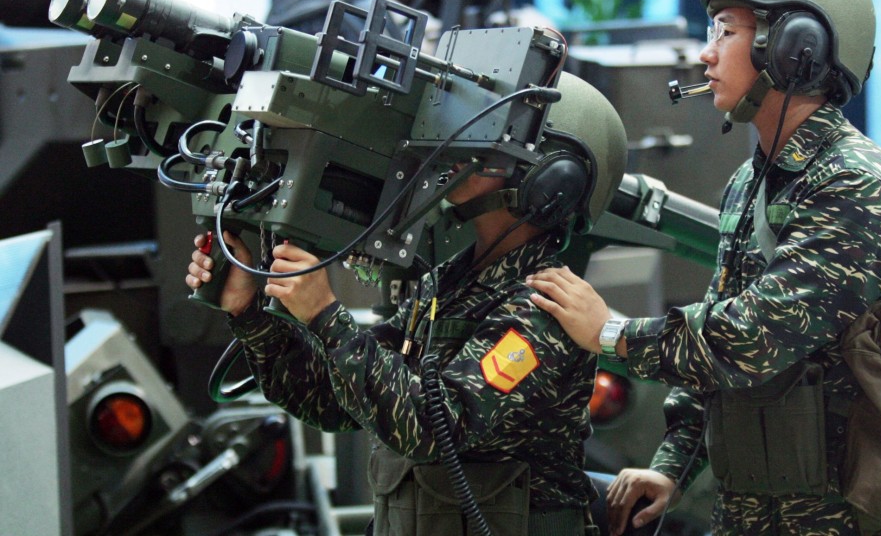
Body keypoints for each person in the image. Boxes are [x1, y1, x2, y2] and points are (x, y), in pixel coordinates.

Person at [526, 0, 881, 536]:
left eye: (726, 30)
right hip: (753, 511)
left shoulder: (851, 181)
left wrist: (610, 333)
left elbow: (752, 337)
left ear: (795, 49)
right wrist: (673, 469)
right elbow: (721, 356)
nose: (707, 54)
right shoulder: (751, 181)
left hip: (840, 516)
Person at [185, 73, 627, 536]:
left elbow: (434, 430)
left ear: (552, 177)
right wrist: (249, 311)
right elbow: (329, 402)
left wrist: (325, 314)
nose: (458, 144)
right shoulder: (447, 283)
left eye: (490, 134)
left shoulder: (545, 306)